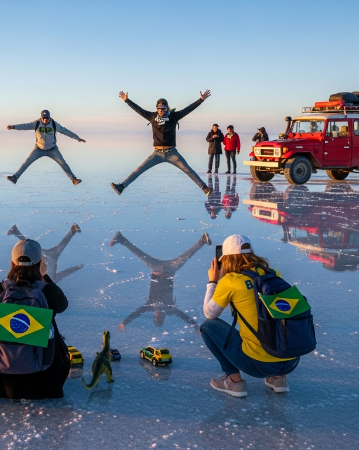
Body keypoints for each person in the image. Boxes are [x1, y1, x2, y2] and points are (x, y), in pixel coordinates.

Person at [200, 235, 300, 397]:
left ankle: (234, 381)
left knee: (207, 326)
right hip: (290, 360)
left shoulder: (231, 281)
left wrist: (213, 281)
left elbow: (210, 313)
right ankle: (279, 379)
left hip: (259, 365)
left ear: (225, 259)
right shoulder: (273, 274)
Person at [0, 239, 70, 399]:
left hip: (0, 384)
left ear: (12, 263)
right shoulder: (48, 292)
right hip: (44, 383)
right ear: (41, 263)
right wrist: (45, 277)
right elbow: (63, 305)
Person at [111, 90, 212, 196]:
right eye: (159, 108)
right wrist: (127, 100)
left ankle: (205, 189)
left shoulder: (173, 117)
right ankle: (122, 186)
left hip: (172, 153)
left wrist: (201, 100)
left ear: (167, 108)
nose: (161, 110)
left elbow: (188, 109)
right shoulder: (152, 117)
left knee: (188, 170)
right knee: (139, 169)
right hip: (156, 153)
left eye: (163, 108)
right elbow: (139, 110)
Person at [111, 232, 210, 331]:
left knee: (139, 254)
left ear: (154, 315)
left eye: (156, 317)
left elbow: (136, 313)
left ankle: (121, 238)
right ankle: (202, 240)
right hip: (170, 269)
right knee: (187, 256)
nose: (158, 315)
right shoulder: (170, 309)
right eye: (160, 317)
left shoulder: (150, 306)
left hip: (156, 268)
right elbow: (184, 316)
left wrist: (125, 322)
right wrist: (195, 326)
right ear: (163, 317)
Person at [6, 110, 86, 186]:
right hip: (38, 149)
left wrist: (77, 138)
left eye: (47, 118)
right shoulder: (36, 123)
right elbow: (25, 126)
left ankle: (73, 179)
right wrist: (13, 127)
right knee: (26, 162)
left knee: (63, 163)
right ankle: (15, 177)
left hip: (52, 149)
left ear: (49, 117)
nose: (45, 119)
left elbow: (65, 131)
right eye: (43, 118)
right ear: (41, 117)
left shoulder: (54, 124)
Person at [7, 223, 83, 283]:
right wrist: (75, 268)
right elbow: (64, 274)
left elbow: (64, 274)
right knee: (28, 246)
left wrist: (76, 268)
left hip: (44, 256)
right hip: (48, 256)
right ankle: (15, 231)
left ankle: (16, 231)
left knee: (28, 246)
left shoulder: (44, 282)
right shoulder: (48, 282)